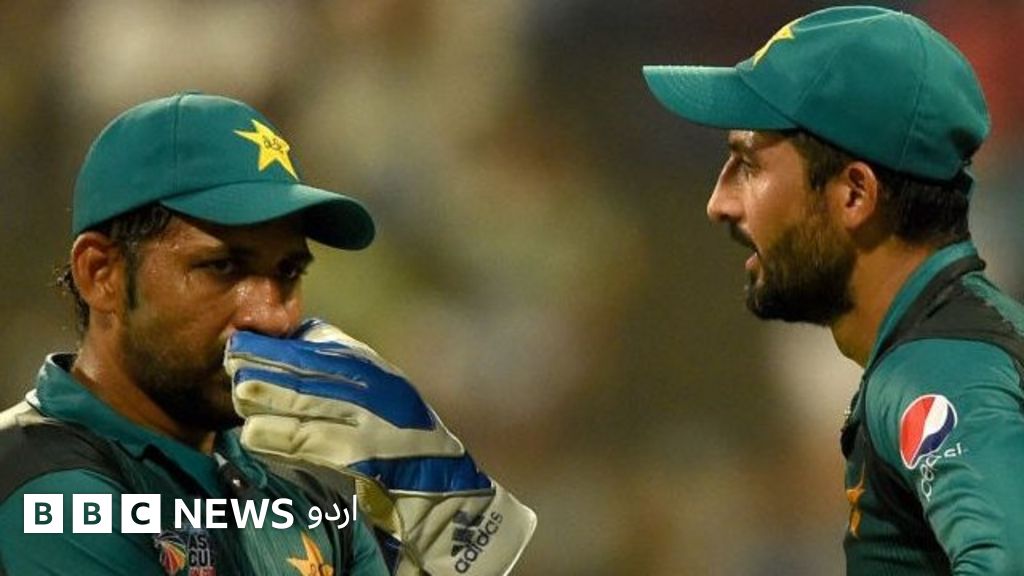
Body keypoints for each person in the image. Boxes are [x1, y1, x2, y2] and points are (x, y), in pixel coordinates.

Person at [0, 92, 535, 575]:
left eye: (287, 272)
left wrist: (447, 521)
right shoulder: (42, 489)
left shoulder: (307, 497)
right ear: (102, 274)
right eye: (223, 267)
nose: (270, 317)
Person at [644, 5, 1024, 575]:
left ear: (854, 195)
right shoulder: (944, 343)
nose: (719, 203)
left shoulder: (935, 371)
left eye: (749, 166)